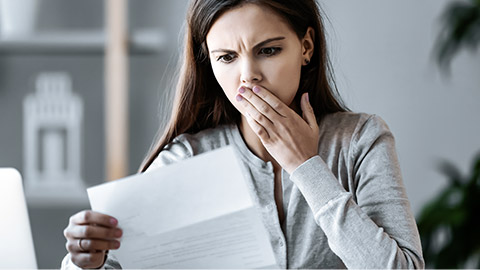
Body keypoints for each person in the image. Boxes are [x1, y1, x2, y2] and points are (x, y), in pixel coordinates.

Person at [62, 0, 425, 268]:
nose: (249, 75)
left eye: (268, 50)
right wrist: (85, 259)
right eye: (227, 57)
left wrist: (307, 166)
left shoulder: (361, 140)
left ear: (306, 47)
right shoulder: (187, 158)